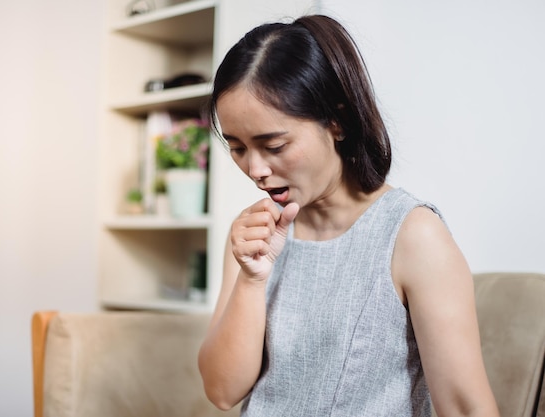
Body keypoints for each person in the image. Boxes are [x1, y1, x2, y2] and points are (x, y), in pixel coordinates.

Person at [197, 14, 499, 417]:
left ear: (336, 121)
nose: (255, 169)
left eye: (273, 145)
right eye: (237, 148)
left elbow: (465, 408)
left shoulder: (411, 235)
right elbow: (221, 391)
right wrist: (251, 281)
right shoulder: (253, 236)